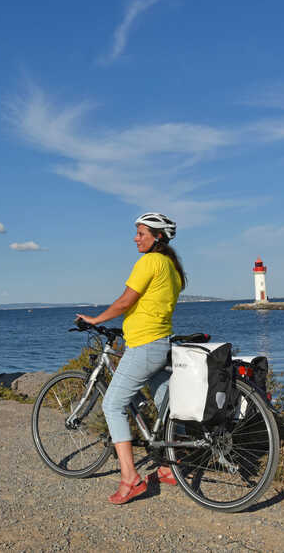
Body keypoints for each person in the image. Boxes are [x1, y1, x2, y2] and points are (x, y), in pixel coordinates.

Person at [76, 212, 187, 505]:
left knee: (113, 404)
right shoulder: (172, 267)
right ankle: (169, 467)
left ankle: (131, 479)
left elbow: (127, 300)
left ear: (157, 237)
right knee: (167, 404)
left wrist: (95, 319)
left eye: (141, 233)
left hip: (145, 345)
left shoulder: (150, 261)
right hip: (161, 342)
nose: (136, 238)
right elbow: (150, 304)